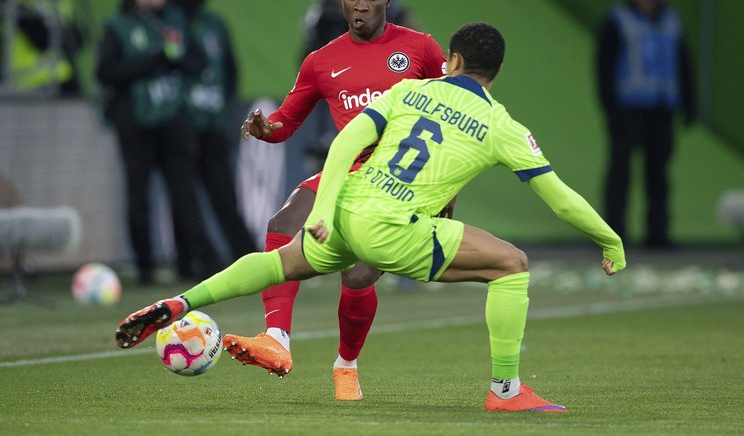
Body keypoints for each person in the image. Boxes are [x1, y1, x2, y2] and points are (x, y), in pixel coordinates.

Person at [114, 22, 627, 412]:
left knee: (278, 264)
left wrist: (326, 208)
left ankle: (182, 302)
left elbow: (345, 144)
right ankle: (506, 389)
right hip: (394, 228)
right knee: (512, 264)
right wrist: (610, 241)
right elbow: (560, 199)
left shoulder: (410, 91)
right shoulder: (502, 124)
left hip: (348, 207)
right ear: (497, 72)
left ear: (452, 60)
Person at [235, 0, 447, 400]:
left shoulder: (422, 49)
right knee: (281, 224)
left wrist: (446, 189)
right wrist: (265, 130)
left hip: (402, 182)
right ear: (342, 1)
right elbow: (286, 122)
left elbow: (456, 111)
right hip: (347, 172)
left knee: (356, 277)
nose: (361, 6)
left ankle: (346, 365)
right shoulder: (321, 61)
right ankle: (277, 339)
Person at [96, 0, 218, 284]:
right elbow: (106, 71)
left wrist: (176, 59)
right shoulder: (119, 25)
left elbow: (197, 63)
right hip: (134, 121)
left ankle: (191, 261)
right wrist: (154, 60)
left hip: (173, 119)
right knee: (138, 195)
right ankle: (145, 266)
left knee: (183, 192)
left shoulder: (174, 21)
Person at [596, 0, 696, 248]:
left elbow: (684, 64)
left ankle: (658, 234)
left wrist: (689, 103)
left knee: (659, 174)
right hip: (628, 109)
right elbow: (604, 67)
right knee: (620, 174)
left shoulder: (671, 22)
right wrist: (610, 108)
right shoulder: (618, 19)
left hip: (662, 109)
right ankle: (613, 233)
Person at [168, 0, 257, 259]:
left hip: (214, 121)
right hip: (181, 124)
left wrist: (226, 107)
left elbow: (230, 69)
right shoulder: (167, 25)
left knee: (223, 193)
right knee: (184, 196)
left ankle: (244, 253)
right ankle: (192, 258)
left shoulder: (215, 24)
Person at [11, 0, 82, 95]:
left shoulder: (60, 0)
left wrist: (55, 31)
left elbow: (78, 39)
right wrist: (62, 31)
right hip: (30, 82)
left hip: (63, 78)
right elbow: (40, 39)